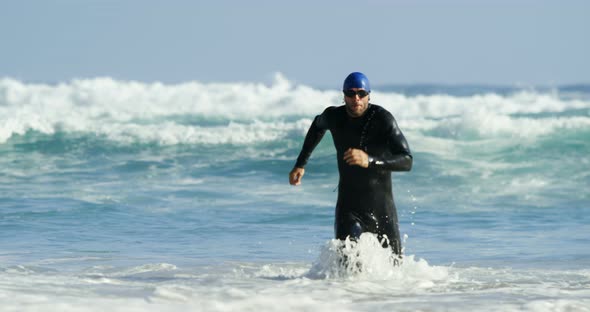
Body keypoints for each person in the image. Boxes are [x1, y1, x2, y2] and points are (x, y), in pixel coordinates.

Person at [289, 72, 412, 257]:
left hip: (382, 209)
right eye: (351, 93)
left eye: (361, 93)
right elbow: (317, 126)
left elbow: (406, 160)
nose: (356, 99)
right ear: (343, 95)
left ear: (369, 95)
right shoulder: (334, 116)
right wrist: (301, 164)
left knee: (396, 267)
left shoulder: (382, 119)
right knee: (346, 264)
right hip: (349, 208)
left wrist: (369, 160)